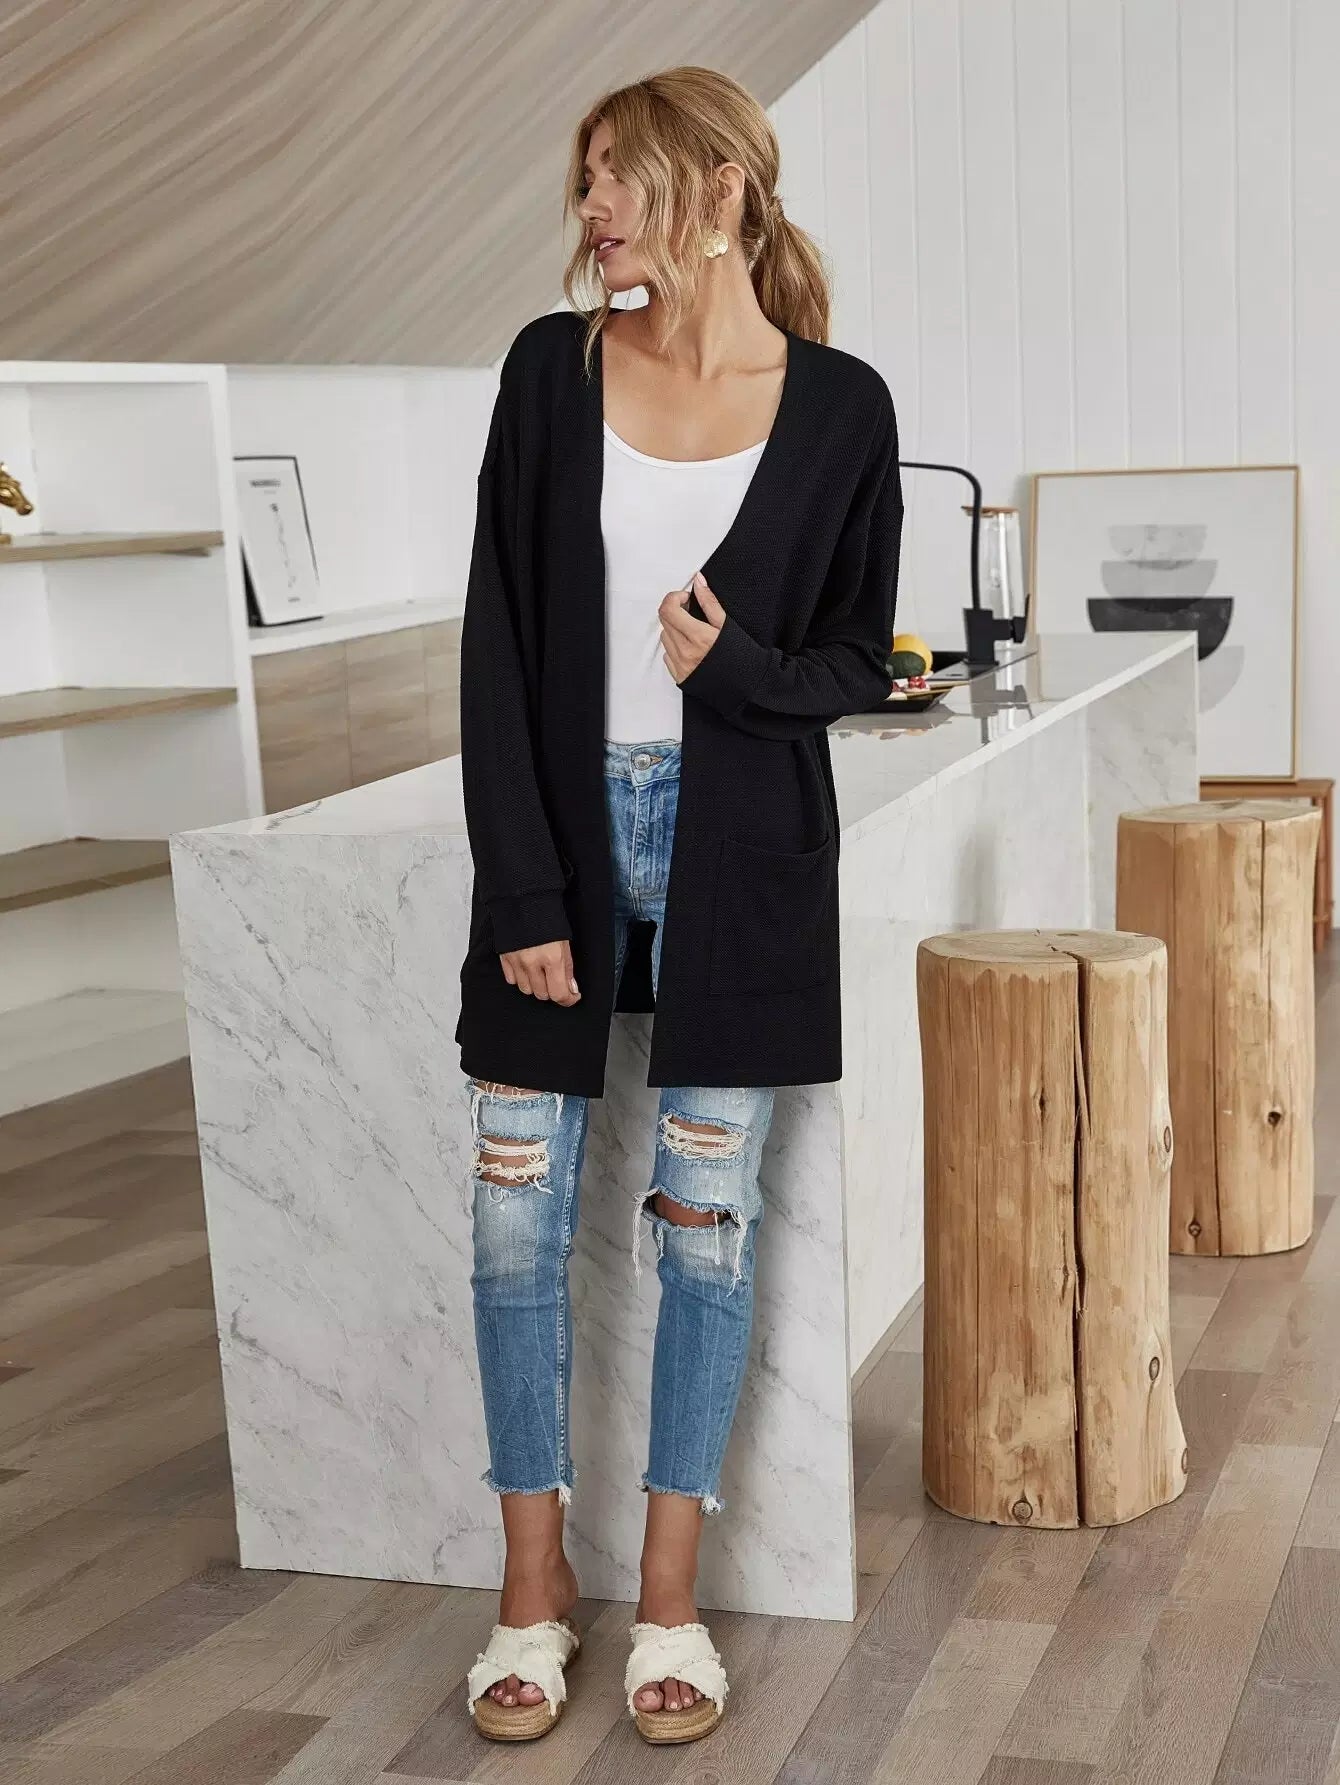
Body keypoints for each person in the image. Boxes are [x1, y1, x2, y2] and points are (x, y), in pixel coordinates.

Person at [458, 65, 903, 1746]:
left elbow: (858, 659)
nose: (591, 212)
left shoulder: (843, 408)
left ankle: (666, 1606)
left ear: (717, 189)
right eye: (584, 181)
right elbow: (498, 642)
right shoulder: (549, 373)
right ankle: (529, 1593)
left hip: (746, 856)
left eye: (618, 178)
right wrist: (523, 881)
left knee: (704, 1229)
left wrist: (740, 672)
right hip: (563, 840)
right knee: (515, 1217)